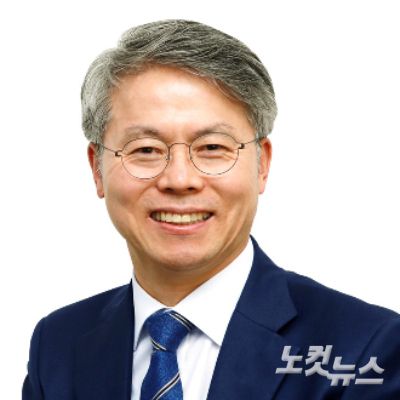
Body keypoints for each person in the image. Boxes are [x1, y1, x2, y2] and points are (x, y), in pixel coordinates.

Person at [22, 19, 400, 400]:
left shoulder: (365, 348)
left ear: (262, 164)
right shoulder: (57, 347)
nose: (179, 179)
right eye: (146, 149)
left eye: (212, 148)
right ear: (97, 169)